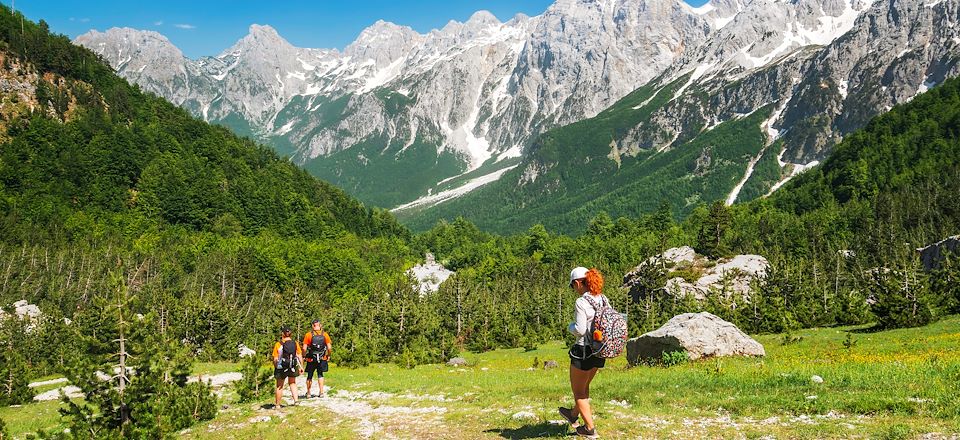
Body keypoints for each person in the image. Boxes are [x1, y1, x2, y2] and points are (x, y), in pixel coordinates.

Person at [559, 266, 606, 438]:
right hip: (599, 349)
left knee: (579, 392)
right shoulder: (603, 298)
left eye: (573, 285)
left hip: (583, 350)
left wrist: (569, 326)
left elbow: (579, 329)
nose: (573, 289)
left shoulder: (581, 302)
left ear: (578, 283)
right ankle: (572, 415)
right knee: (584, 387)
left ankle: (589, 429)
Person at [272, 326, 304, 407]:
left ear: (282, 334)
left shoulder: (278, 344)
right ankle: (296, 401)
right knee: (292, 383)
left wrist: (276, 367)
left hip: (282, 366)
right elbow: (299, 355)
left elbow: (275, 358)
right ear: (290, 334)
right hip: (292, 365)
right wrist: (301, 367)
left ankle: (278, 405)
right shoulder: (295, 343)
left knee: (279, 386)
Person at [302, 320, 332, 398]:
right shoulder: (325, 335)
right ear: (320, 325)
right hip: (322, 358)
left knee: (310, 375)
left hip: (311, 358)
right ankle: (321, 392)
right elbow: (329, 347)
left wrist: (304, 356)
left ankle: (308, 393)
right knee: (320, 374)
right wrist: (328, 355)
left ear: (313, 326)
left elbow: (304, 348)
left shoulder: (308, 335)